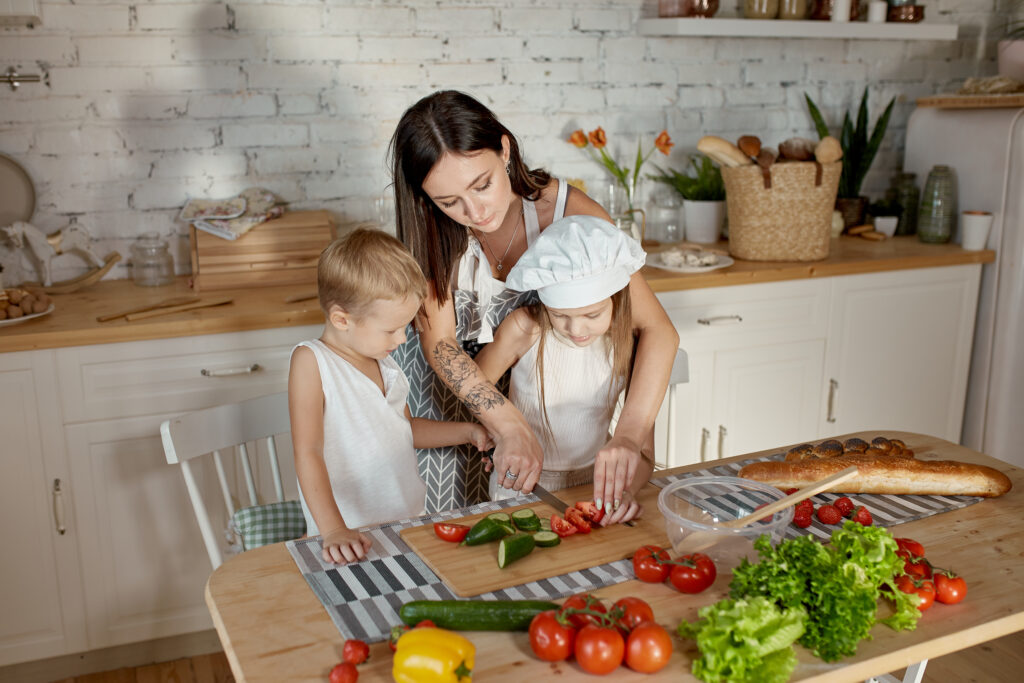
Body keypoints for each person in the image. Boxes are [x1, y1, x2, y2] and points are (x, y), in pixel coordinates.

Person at [388, 90, 679, 516]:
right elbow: (441, 346)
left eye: (482, 184)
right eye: (448, 202)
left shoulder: (574, 219)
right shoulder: (430, 232)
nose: (474, 211)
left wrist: (632, 436)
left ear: (505, 149)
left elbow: (654, 329)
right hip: (449, 424)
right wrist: (506, 423)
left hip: (556, 447)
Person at [289, 229, 492, 565]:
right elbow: (307, 452)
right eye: (391, 329)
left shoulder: (385, 362)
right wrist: (333, 530)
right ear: (342, 319)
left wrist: (467, 431)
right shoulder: (312, 362)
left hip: (404, 523)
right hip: (345, 539)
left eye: (405, 326)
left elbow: (404, 429)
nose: (401, 338)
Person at [474, 216, 654, 525]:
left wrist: (625, 490)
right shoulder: (524, 327)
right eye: (559, 315)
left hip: (595, 485)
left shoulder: (632, 345)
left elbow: (646, 453)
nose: (576, 329)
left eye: (592, 314)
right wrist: (498, 432)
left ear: (617, 300)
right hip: (520, 484)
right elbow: (475, 387)